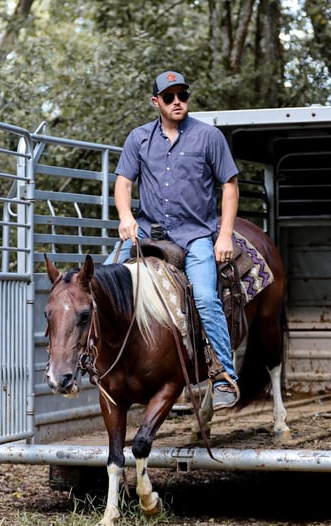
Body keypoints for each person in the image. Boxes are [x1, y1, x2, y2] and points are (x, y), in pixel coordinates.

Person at [108, 70, 241, 410]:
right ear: (156, 102)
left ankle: (224, 375)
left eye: (182, 95)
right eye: (169, 97)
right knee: (100, 287)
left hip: (194, 235)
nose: (177, 101)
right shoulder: (138, 139)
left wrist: (224, 234)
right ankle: (103, 368)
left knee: (207, 298)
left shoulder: (209, 137)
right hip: (150, 233)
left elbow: (229, 185)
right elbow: (123, 183)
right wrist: (125, 217)